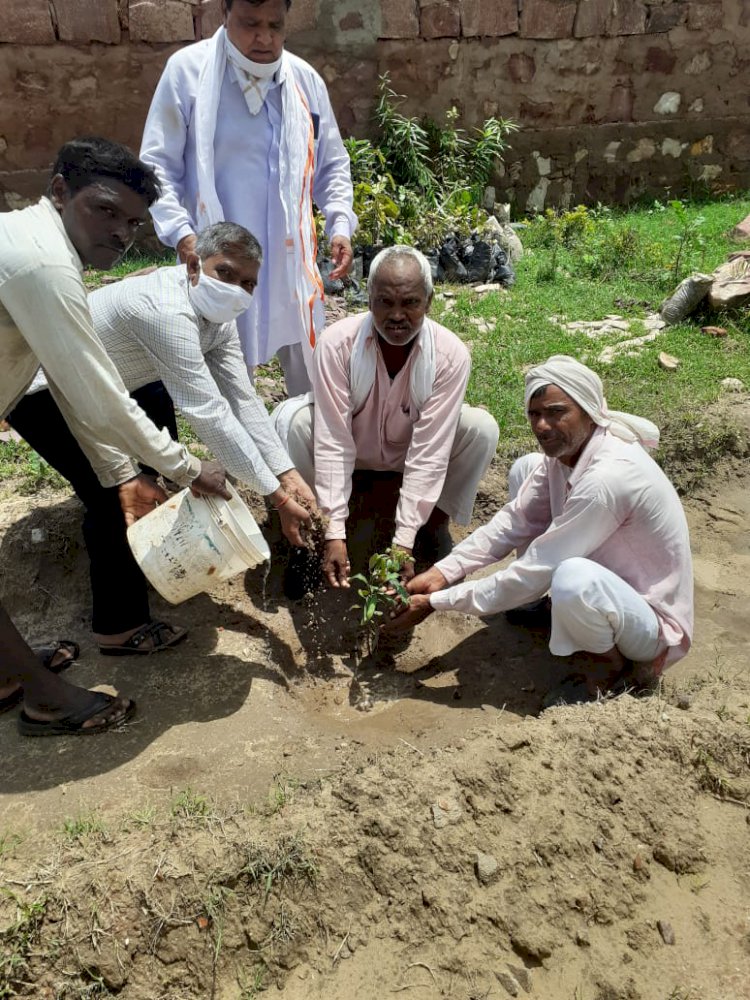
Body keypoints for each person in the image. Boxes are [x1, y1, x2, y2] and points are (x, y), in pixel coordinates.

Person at [0, 136, 229, 736]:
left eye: (133, 221)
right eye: (105, 210)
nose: (122, 231)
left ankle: (5, 671)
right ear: (59, 192)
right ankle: (43, 697)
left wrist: (123, 474)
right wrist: (184, 469)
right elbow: (97, 394)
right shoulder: (43, 264)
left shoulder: (42, 249)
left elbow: (76, 387)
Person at [9, 221, 317, 653]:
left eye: (248, 283)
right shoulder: (163, 310)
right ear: (194, 265)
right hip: (45, 392)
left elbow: (242, 400)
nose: (237, 289)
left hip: (124, 382)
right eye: (225, 273)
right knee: (115, 489)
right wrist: (276, 496)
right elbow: (207, 411)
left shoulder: (218, 319)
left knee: (154, 474)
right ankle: (118, 626)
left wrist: (284, 472)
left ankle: (146, 563)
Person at [388, 355, 694, 703]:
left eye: (557, 412)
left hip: (648, 619)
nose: (543, 426)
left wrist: (436, 602)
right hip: (612, 584)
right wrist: (444, 571)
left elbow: (540, 566)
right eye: (535, 414)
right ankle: (540, 606)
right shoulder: (566, 456)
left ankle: (607, 670)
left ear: (589, 410)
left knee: (571, 578)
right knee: (525, 468)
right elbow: (515, 520)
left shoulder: (607, 479)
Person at [140, 0, 357, 394]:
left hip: (289, 260)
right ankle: (241, 454)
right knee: (232, 381)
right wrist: (183, 234)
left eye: (275, 25)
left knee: (312, 381)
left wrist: (339, 223)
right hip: (221, 259)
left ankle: (308, 448)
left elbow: (332, 164)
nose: (265, 38)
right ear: (224, 13)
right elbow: (157, 167)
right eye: (250, 24)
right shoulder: (189, 74)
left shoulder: (303, 82)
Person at [273, 246, 500, 589]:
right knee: (295, 423)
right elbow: (333, 437)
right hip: (353, 445)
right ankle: (310, 538)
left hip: (408, 452)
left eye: (410, 303)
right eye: (385, 302)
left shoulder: (450, 355)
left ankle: (433, 525)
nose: (397, 315)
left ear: (429, 301)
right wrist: (336, 531)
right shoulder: (338, 345)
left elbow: (430, 450)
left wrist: (404, 540)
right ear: (369, 300)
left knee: (480, 429)